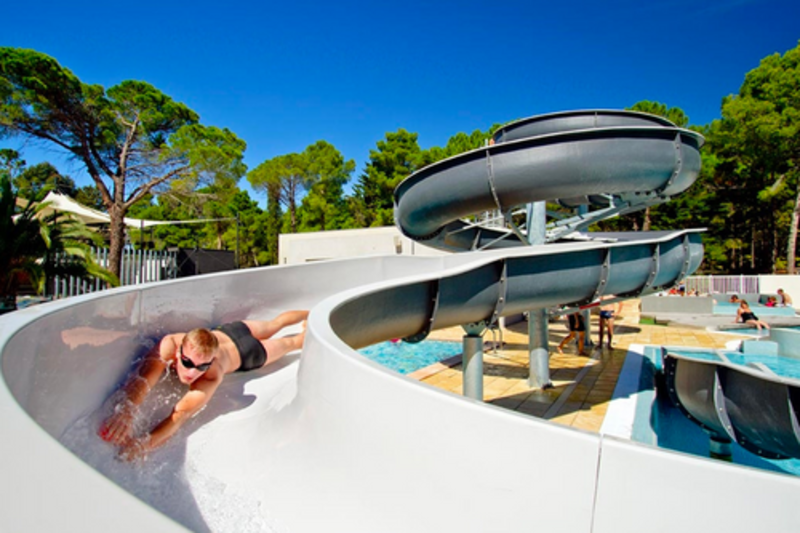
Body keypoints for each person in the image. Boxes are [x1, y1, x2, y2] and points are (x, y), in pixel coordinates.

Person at [99, 310, 309, 461]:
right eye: (188, 363)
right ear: (179, 351)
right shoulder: (169, 344)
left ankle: (311, 316)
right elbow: (145, 379)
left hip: (247, 352)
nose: (192, 373)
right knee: (273, 324)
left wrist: (144, 444)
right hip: (232, 330)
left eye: (201, 366)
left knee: (291, 341)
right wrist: (128, 408)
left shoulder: (211, 376)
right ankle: (307, 314)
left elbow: (179, 415)